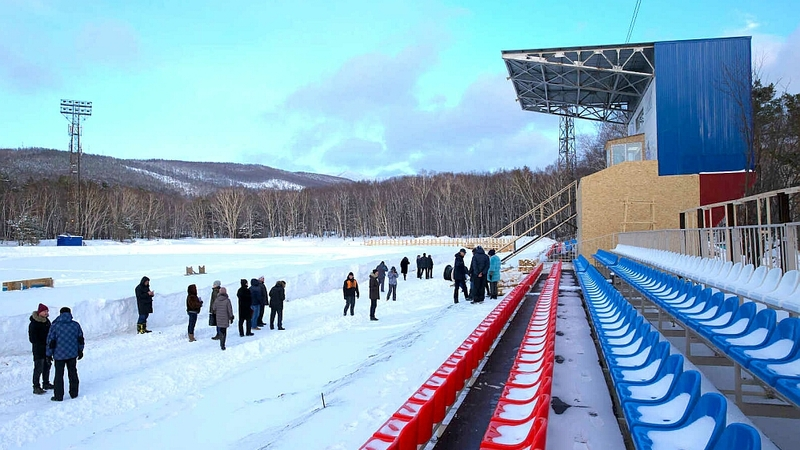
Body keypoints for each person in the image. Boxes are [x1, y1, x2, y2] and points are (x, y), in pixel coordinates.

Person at [46, 307, 84, 401]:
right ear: (70, 313)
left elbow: (50, 341)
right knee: (73, 373)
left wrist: (48, 354)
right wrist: (80, 350)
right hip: (72, 354)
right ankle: (74, 393)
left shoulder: (55, 326)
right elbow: (80, 339)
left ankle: (58, 396)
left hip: (59, 355)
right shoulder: (75, 325)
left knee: (59, 375)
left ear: (60, 314)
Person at [29, 303, 54, 395]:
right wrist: (43, 342)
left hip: (47, 349)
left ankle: (46, 383)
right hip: (38, 349)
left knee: (47, 366)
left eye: (47, 311)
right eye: (44, 311)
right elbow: (32, 338)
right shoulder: (34, 323)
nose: (46, 313)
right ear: (40, 312)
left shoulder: (47, 322)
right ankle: (36, 386)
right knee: (38, 368)